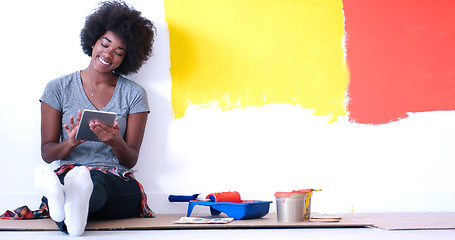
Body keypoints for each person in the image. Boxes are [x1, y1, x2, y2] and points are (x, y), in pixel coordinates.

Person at [35, 0, 156, 236]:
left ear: (126, 59)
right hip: (68, 173)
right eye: (105, 44)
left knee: (93, 183)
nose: (108, 54)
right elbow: (47, 153)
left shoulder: (134, 94)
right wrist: (72, 141)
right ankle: (72, 210)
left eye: (118, 52)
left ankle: (66, 206)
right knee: (73, 183)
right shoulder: (57, 88)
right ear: (93, 41)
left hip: (114, 179)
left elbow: (130, 159)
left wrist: (115, 141)